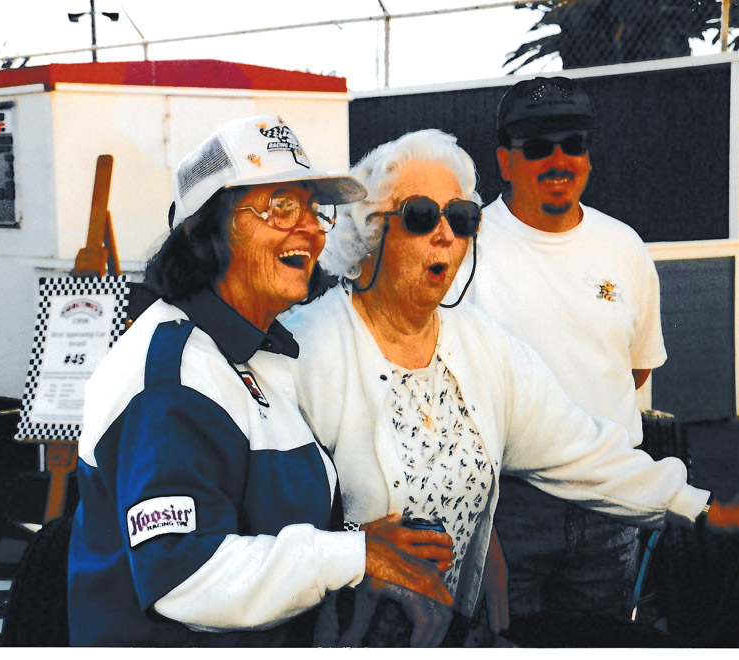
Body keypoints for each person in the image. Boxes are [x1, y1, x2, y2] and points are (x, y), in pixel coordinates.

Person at [285, 128, 739, 646]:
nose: (445, 235)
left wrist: (701, 508)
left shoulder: (481, 345)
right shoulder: (305, 350)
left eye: (461, 218)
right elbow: (258, 525)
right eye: (420, 215)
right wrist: (355, 552)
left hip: (456, 636)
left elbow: (579, 448)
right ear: (368, 231)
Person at [66, 115, 455, 646]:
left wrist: (359, 545)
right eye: (281, 206)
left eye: (314, 210)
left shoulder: (254, 350)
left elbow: (258, 522)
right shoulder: (171, 379)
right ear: (205, 229)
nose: (312, 229)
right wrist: (356, 557)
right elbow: (186, 575)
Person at [453, 75, 668, 630]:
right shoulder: (462, 252)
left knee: (602, 642)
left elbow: (635, 369)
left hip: (609, 505)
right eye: (537, 147)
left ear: (588, 156)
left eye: (573, 144)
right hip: (507, 511)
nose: (558, 160)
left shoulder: (624, 247)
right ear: (505, 160)